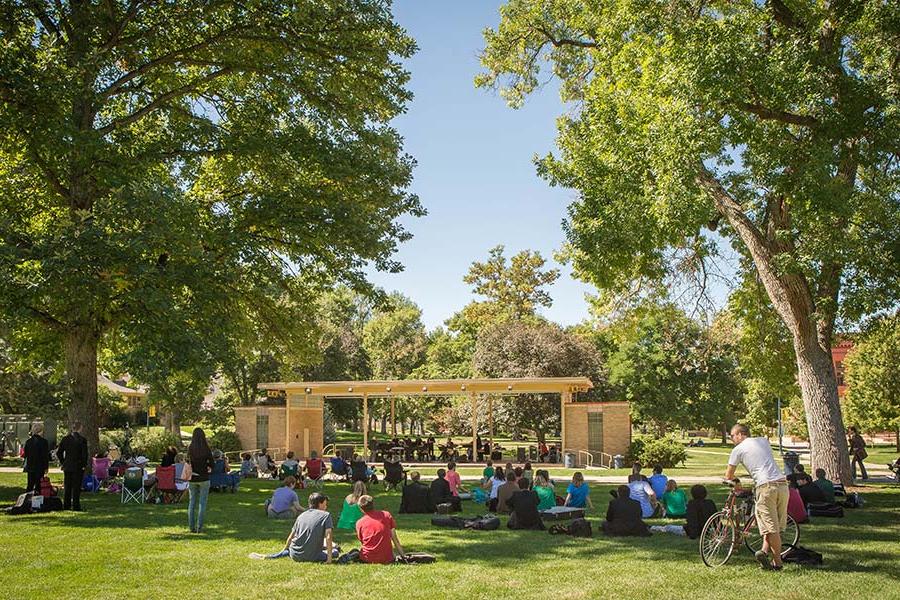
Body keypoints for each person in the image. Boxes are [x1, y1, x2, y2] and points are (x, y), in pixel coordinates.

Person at [725, 423, 788, 571]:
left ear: (740, 434)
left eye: (732, 436)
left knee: (771, 528)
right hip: (783, 485)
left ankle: (777, 563)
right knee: (774, 525)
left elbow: (728, 476)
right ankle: (764, 552)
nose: (732, 439)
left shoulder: (738, 449)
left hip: (765, 487)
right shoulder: (763, 441)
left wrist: (737, 483)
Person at [254, 492, 337, 562]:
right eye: (325, 504)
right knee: (335, 552)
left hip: (294, 554)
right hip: (312, 556)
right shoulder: (325, 515)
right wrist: (329, 559)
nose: (326, 507)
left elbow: (291, 536)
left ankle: (277, 555)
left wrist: (284, 550)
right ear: (320, 504)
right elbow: (328, 537)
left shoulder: (302, 515)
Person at [356, 495, 406, 564]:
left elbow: (363, 541)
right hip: (387, 558)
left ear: (360, 508)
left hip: (367, 558)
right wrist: (403, 556)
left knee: (355, 551)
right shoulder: (386, 515)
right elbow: (394, 538)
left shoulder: (359, 523)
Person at [187, 427, 215, 533]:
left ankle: (191, 527)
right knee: (202, 503)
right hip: (204, 477)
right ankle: (199, 527)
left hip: (193, 478)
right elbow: (212, 464)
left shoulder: (190, 448)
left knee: (192, 503)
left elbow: (188, 461)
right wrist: (207, 465)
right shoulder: (206, 449)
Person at [57, 421, 89, 511]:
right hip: (78, 465)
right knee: (76, 487)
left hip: (68, 465)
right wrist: (84, 464)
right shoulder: (82, 440)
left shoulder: (65, 439)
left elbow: (59, 452)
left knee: (67, 486)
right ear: (80, 428)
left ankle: (66, 505)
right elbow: (84, 454)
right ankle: (76, 505)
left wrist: (63, 462)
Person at [23, 423, 50, 494]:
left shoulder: (28, 442)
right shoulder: (44, 442)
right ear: (41, 431)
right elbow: (45, 456)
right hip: (40, 466)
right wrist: (46, 467)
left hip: (30, 465)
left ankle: (28, 500)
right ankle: (38, 502)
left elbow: (25, 454)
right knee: (39, 485)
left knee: (30, 485)